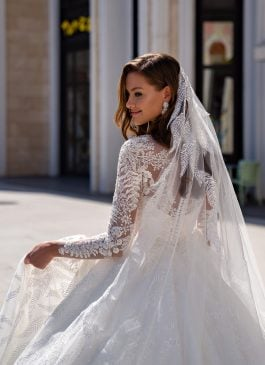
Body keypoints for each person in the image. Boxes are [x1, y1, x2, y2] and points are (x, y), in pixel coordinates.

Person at [1, 53, 265, 364]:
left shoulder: (136, 151)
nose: (129, 103)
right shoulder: (203, 154)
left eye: (138, 93)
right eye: (128, 94)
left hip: (142, 276)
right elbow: (209, 233)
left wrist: (54, 247)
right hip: (198, 279)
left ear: (166, 93)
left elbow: (117, 242)